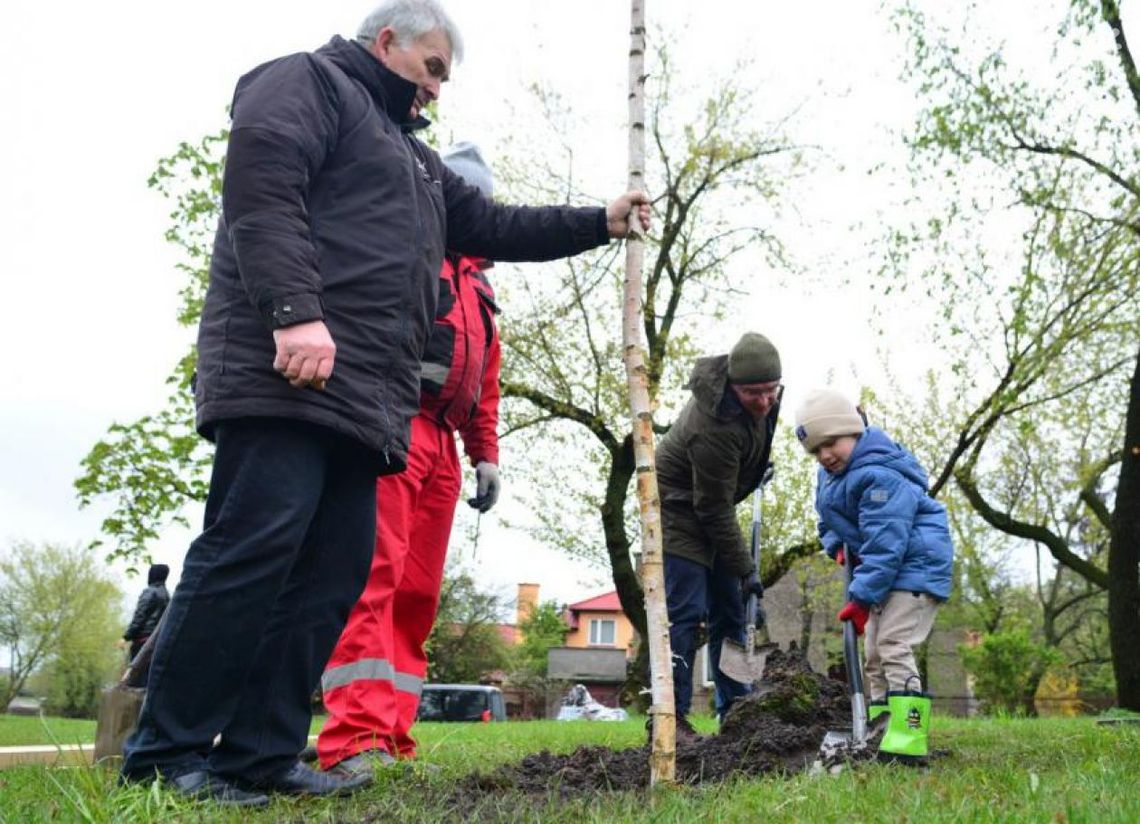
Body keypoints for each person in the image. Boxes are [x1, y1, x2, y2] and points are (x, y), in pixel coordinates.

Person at [120, 0, 651, 806]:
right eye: (433, 68)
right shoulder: (306, 83)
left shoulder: (415, 163)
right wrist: (294, 313)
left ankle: (259, 755)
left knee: (328, 578)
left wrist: (599, 221)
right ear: (388, 40)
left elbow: (497, 224)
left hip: (363, 402)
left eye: (446, 78)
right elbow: (263, 189)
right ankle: (166, 756)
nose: (438, 90)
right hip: (285, 375)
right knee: (247, 558)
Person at [315, 142, 506, 777]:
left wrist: (485, 454)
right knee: (376, 579)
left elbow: (488, 382)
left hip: (445, 448)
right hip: (394, 427)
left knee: (418, 592)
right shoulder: (406, 260)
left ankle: (393, 735)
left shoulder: (480, 287)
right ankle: (353, 738)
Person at [793, 388, 953, 763]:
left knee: (893, 646)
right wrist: (835, 544)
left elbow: (886, 543)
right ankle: (882, 729)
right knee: (873, 655)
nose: (825, 455)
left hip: (913, 570)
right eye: (816, 450)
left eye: (831, 443)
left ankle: (909, 736)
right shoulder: (832, 475)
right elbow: (828, 517)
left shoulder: (881, 475)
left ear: (853, 430)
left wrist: (861, 596)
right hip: (885, 572)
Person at [654, 332, 783, 736]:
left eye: (770, 391)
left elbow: (743, 451)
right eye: (752, 393)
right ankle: (669, 719)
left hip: (712, 506)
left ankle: (736, 711)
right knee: (685, 615)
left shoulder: (761, 401)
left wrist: (754, 467)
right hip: (677, 511)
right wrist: (747, 569)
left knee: (732, 611)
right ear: (732, 386)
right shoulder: (710, 425)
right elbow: (711, 507)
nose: (763, 401)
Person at [121, 565, 171, 661]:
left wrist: (126, 637)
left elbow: (140, 615)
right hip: (157, 641)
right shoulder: (167, 596)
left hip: (142, 640)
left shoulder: (150, 592)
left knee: (137, 671)